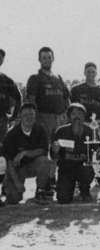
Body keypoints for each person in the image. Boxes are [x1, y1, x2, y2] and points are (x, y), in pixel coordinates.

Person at [26, 47, 70, 193]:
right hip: (43, 118)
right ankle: (43, 184)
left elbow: (66, 99)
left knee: (58, 149)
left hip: (60, 119)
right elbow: (31, 100)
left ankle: (52, 178)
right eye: (44, 57)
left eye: (49, 57)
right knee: (44, 151)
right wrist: (35, 121)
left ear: (53, 58)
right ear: (39, 60)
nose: (47, 60)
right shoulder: (35, 78)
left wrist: (67, 117)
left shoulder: (59, 78)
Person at [70, 62, 100, 187]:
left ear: (96, 73)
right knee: (80, 150)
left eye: (93, 72)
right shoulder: (76, 89)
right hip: (81, 124)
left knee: (97, 151)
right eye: (88, 71)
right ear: (84, 73)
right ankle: (80, 176)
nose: (90, 74)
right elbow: (69, 108)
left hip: (96, 125)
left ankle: (98, 176)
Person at [3, 103, 50, 205]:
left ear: (35, 115)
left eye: (31, 114)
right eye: (25, 115)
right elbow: (9, 162)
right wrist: (17, 182)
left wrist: (25, 153)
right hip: (17, 168)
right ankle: (7, 186)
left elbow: (43, 150)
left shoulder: (40, 129)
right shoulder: (11, 134)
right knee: (13, 199)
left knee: (44, 161)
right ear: (20, 116)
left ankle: (40, 191)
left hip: (34, 165)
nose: (29, 117)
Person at [50, 103, 95, 204]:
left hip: (83, 168)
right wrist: (55, 150)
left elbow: (98, 150)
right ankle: (66, 185)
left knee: (86, 170)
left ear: (84, 117)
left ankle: (85, 189)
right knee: (63, 199)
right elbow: (53, 155)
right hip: (66, 169)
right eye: (74, 114)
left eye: (80, 114)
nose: (77, 117)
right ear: (69, 117)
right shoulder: (61, 131)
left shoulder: (90, 131)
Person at [0, 48, 22, 197]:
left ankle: (4, 186)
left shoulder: (6, 80)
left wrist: (13, 116)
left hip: (1, 122)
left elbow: (19, 97)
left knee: (3, 155)